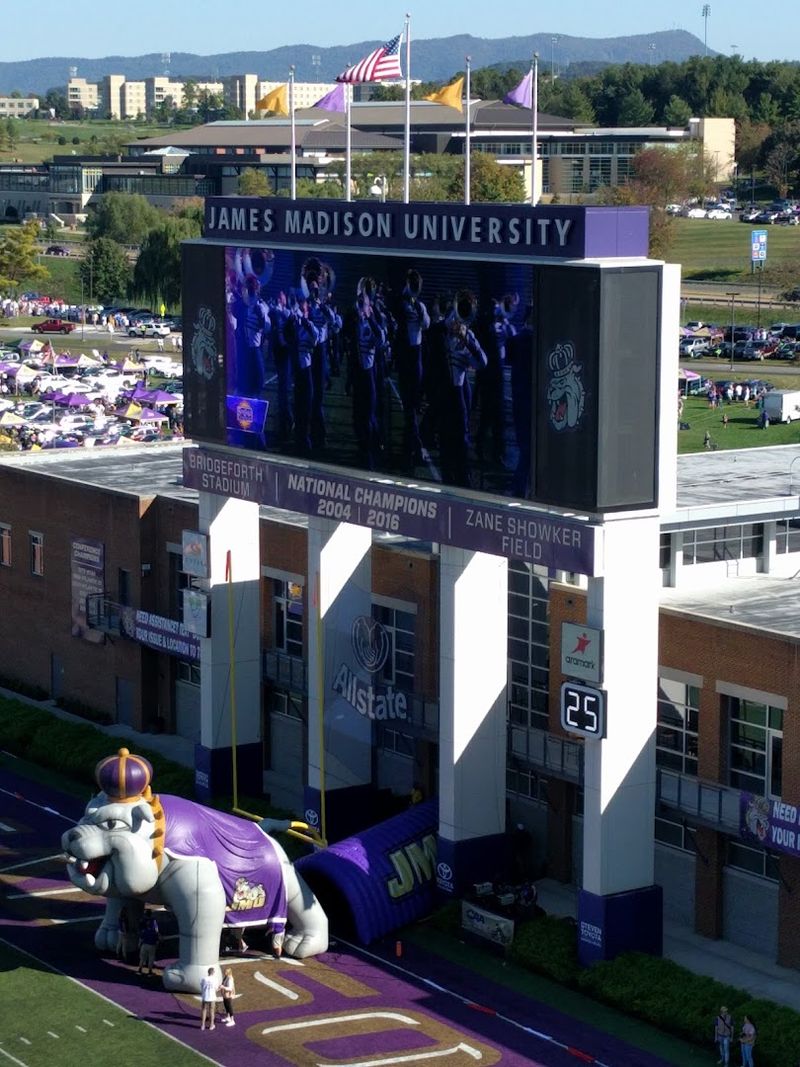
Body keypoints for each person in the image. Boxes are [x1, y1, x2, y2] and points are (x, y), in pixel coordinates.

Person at [137, 908, 159, 976]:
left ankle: (140, 970)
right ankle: (149, 971)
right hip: (152, 945)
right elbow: (157, 938)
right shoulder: (154, 931)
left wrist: (139, 945)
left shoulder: (144, 931)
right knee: (151, 958)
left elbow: (141, 938)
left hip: (144, 945)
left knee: (142, 958)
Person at [200, 966, 218, 1030]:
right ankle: (211, 1025)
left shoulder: (204, 979)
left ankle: (202, 1025)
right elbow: (216, 989)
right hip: (212, 997)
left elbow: (202, 987)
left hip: (205, 997)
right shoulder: (215, 979)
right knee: (212, 1011)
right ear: (213, 972)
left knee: (204, 1010)